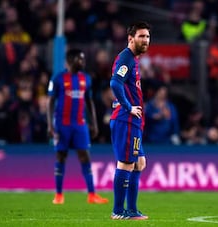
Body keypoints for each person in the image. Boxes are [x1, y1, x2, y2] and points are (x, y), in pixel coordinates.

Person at [47, 48, 108, 205]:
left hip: (80, 125)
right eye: (80, 59)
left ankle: (92, 195)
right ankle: (59, 195)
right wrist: (50, 125)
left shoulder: (86, 79)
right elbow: (50, 102)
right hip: (62, 125)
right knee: (61, 156)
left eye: (83, 59)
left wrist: (94, 122)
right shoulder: (58, 78)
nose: (83, 62)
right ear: (70, 61)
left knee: (85, 156)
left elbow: (89, 101)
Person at [109, 21, 151, 220]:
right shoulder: (126, 58)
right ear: (130, 39)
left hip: (134, 121)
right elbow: (115, 82)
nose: (146, 40)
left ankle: (132, 210)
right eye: (141, 36)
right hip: (126, 119)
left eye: (148, 36)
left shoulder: (133, 59)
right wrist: (128, 106)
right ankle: (118, 211)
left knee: (139, 163)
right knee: (126, 163)